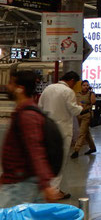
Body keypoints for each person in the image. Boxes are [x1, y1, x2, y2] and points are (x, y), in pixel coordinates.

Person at [0, 70, 61, 207]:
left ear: (20, 89)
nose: (7, 87)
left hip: (21, 185)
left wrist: (46, 185)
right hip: (19, 180)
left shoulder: (27, 115)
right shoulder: (24, 111)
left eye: (11, 83)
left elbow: (35, 150)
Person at [38, 71, 82, 200]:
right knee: (59, 161)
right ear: (72, 80)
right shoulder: (68, 92)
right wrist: (81, 107)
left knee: (47, 159)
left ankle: (45, 188)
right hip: (63, 131)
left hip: (47, 129)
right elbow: (73, 110)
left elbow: (40, 107)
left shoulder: (48, 88)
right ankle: (55, 191)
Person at [71, 80, 97, 158]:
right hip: (79, 115)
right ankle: (92, 148)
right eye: (84, 85)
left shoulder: (91, 94)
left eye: (87, 85)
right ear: (81, 86)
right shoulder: (77, 94)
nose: (86, 87)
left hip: (87, 115)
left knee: (81, 133)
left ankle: (76, 150)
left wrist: (92, 93)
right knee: (86, 133)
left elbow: (93, 103)